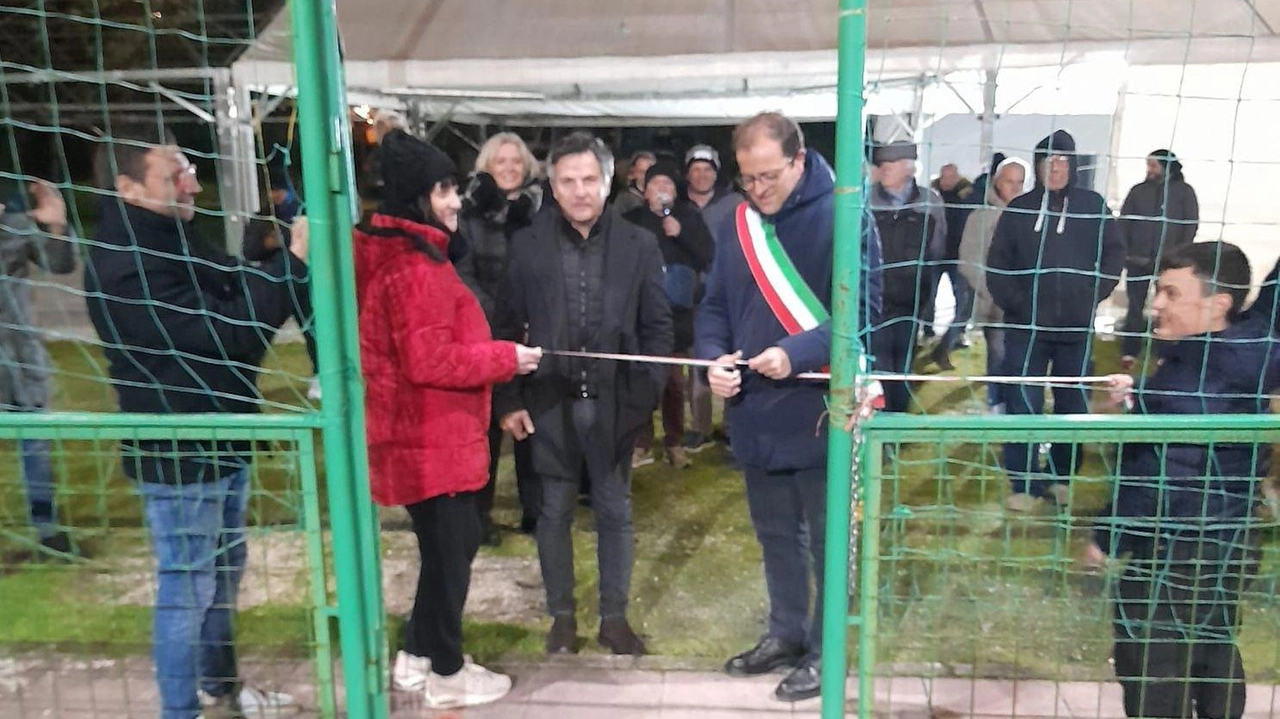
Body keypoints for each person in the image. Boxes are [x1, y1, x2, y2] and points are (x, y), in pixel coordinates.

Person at [86, 124, 308, 719]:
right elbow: (231, 333)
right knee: (187, 592)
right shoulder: (126, 266)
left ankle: (221, 690)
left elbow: (237, 286)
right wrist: (291, 262)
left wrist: (278, 262)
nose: (194, 183)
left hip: (222, 439)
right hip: (180, 454)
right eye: (175, 175)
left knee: (221, 578)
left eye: (190, 169)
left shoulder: (174, 235)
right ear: (128, 188)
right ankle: (180, 711)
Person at [697, 111, 881, 703]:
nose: (757, 190)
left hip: (819, 408)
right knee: (775, 533)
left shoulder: (845, 216)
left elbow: (863, 316)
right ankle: (786, 632)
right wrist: (711, 359)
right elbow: (715, 305)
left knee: (828, 540)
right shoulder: (737, 223)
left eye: (768, 176)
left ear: (800, 160)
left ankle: (827, 654)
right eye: (746, 179)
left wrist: (794, 352)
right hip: (754, 408)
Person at [355, 129, 541, 709]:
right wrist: (505, 357)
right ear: (415, 197)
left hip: (416, 434)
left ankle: (415, 655)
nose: (456, 201)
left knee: (442, 552)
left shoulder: (399, 251)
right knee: (451, 556)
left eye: (455, 189)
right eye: (443, 191)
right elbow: (429, 359)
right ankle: (447, 671)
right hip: (431, 435)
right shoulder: (415, 267)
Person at [494, 131, 672, 656]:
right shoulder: (526, 245)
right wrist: (509, 400)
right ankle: (562, 618)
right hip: (549, 405)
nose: (579, 191)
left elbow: (658, 329)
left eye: (589, 180)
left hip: (616, 407)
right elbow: (504, 327)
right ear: (552, 184)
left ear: (607, 179)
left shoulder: (639, 244)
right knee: (553, 514)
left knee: (616, 511)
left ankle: (614, 619)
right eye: (568, 181)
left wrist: (645, 400)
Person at [1089, 241, 1274, 719]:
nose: (1156, 305)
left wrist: (1106, 538)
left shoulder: (1197, 377)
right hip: (1227, 539)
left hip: (1178, 547)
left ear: (1218, 305)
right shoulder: (1236, 351)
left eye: (1171, 293)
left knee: (1153, 667)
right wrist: (1145, 393)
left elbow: (1161, 477)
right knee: (1212, 654)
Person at [986, 129, 1124, 510]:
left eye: (1063, 161)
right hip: (1026, 330)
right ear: (1038, 166)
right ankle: (1024, 484)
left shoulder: (1093, 206)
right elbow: (998, 266)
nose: (1056, 168)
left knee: (1072, 406)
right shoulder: (1019, 210)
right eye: (1049, 161)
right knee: (1023, 405)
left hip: (1075, 331)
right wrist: (1019, 305)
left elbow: (1114, 255)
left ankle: (1061, 477)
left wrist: (1091, 294)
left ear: (1073, 165)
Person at [455, 132, 546, 545]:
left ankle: (537, 511)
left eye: (515, 161)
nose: (509, 168)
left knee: (533, 423)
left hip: (533, 332)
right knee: (486, 429)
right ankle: (479, 517)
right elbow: (463, 273)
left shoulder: (542, 212)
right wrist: (499, 324)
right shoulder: (468, 214)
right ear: (485, 168)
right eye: (500, 162)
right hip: (484, 333)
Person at [0, 178, 78, 557]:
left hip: (19, 357)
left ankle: (47, 530)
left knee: (35, 444)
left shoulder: (14, 227)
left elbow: (60, 264)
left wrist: (57, 225)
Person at [623, 158, 713, 469]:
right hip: (638, 313)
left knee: (673, 381)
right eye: (655, 185)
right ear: (644, 190)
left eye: (668, 185)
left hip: (676, 314)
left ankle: (674, 442)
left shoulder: (688, 217)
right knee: (641, 379)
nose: (662, 190)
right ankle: (641, 442)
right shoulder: (630, 220)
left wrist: (681, 234)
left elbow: (707, 256)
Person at [868, 141, 946, 413]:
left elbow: (936, 252)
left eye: (888, 166)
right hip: (874, 303)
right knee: (877, 367)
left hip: (910, 303)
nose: (882, 171)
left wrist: (926, 299)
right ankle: (876, 429)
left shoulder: (931, 202)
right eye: (881, 166)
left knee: (903, 369)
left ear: (907, 168)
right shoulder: (866, 200)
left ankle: (895, 426)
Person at [957, 157, 1029, 413]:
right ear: (998, 182)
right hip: (995, 306)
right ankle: (997, 405)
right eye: (1009, 182)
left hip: (1026, 307)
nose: (1015, 188)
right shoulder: (980, 217)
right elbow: (967, 260)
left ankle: (1020, 408)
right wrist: (993, 290)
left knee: (1025, 361)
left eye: (1020, 183)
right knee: (998, 357)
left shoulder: (1031, 216)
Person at [682, 143, 740, 453]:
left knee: (732, 358)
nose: (701, 175)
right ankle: (700, 426)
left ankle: (732, 425)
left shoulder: (734, 203)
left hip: (729, 292)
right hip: (690, 294)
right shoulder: (679, 206)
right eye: (696, 170)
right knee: (698, 363)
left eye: (707, 170)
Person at [1118, 149, 1199, 370]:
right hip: (1137, 261)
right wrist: (1125, 252)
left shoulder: (1184, 192)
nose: (1149, 170)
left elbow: (1190, 225)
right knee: (1135, 307)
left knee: (1168, 308)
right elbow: (1124, 222)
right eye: (1148, 165)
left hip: (1168, 264)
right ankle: (1129, 352)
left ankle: (1164, 353)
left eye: (1154, 165)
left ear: (1166, 167)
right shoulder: (1138, 191)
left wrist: (1179, 255)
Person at [927, 162, 976, 369]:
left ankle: (958, 334)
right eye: (944, 177)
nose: (947, 181)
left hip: (958, 255)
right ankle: (928, 331)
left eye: (951, 177)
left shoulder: (967, 196)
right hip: (936, 253)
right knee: (929, 295)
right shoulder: (932, 195)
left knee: (963, 300)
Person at [612, 150, 655, 214]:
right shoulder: (625, 198)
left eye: (650, 172)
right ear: (632, 173)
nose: (646, 176)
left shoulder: (659, 196)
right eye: (642, 172)